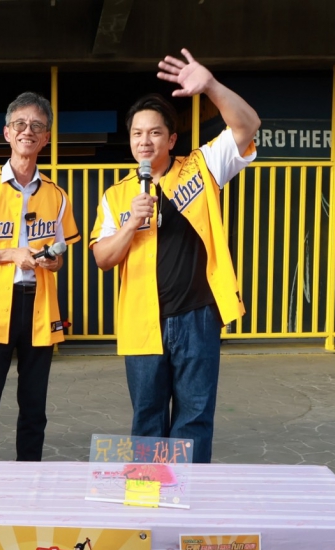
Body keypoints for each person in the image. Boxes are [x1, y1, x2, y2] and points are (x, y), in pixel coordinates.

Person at [90, 49, 260, 464]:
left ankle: (188, 495)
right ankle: (151, 496)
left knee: (194, 418)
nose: (144, 141)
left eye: (154, 133)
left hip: (197, 316)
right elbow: (102, 258)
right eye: (137, 134)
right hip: (141, 321)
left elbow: (248, 125)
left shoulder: (202, 167)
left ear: (171, 139)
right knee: (147, 418)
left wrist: (211, 86)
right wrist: (131, 224)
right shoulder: (116, 196)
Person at [0, 91, 80, 462]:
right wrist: (7, 254)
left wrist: (54, 263)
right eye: (20, 123)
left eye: (37, 125)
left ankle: (30, 478)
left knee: (35, 407)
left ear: (46, 137)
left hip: (38, 306)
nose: (28, 130)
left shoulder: (57, 196)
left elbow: (60, 253)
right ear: (7, 132)